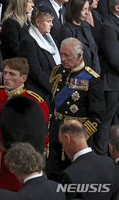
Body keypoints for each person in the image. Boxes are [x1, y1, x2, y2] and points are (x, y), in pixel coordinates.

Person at [0, 57, 49, 191]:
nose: (6, 77)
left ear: (23, 78)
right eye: (6, 73)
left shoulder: (36, 102)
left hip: (21, 162)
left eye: (12, 74)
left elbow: (42, 137)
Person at [46, 37, 105, 181]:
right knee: (52, 173)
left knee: (74, 178)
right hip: (56, 133)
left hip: (76, 138)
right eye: (61, 54)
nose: (62, 58)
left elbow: (97, 116)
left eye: (67, 55)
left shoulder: (92, 79)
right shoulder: (59, 71)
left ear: (79, 56)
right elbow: (53, 101)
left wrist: (80, 136)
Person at [58, 120, 117, 200]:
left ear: (67, 138)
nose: (63, 148)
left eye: (62, 143)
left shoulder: (69, 175)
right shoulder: (110, 163)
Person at [18, 5, 61, 108]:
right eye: (48, 21)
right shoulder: (28, 41)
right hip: (38, 94)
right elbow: (36, 71)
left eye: (52, 21)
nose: (51, 25)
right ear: (38, 22)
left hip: (50, 93)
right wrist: (53, 88)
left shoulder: (49, 39)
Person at [98, 0, 119, 156]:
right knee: (106, 124)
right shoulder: (108, 26)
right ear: (117, 8)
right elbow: (114, 59)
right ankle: (101, 157)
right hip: (111, 84)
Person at [57, 0, 101, 74]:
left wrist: (95, 73)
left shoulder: (86, 26)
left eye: (87, 9)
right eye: (84, 10)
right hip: (77, 76)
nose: (87, 13)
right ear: (75, 9)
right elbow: (68, 59)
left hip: (92, 73)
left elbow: (94, 50)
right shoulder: (66, 31)